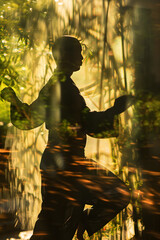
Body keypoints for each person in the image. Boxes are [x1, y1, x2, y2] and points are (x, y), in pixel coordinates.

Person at [1, 36, 134, 240]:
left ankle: (83, 221)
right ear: (65, 56)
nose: (81, 58)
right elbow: (85, 122)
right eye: (78, 53)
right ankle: (85, 221)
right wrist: (115, 110)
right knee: (111, 196)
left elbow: (31, 119)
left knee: (57, 220)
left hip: (63, 163)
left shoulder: (59, 84)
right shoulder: (61, 86)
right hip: (66, 164)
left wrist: (14, 101)